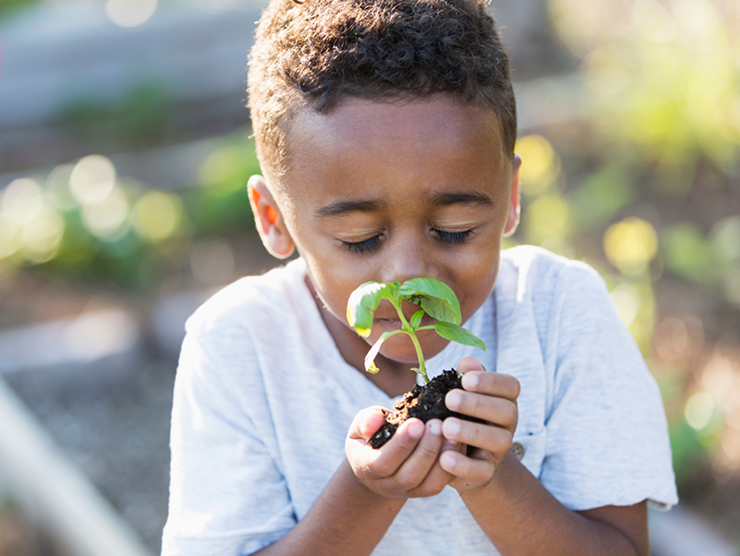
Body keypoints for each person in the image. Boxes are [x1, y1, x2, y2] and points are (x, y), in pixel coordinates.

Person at [161, 0, 677, 554]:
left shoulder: (560, 313)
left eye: (455, 229)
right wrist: (368, 492)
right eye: (360, 239)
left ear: (510, 198)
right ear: (274, 219)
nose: (408, 274)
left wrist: (491, 477)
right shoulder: (237, 346)